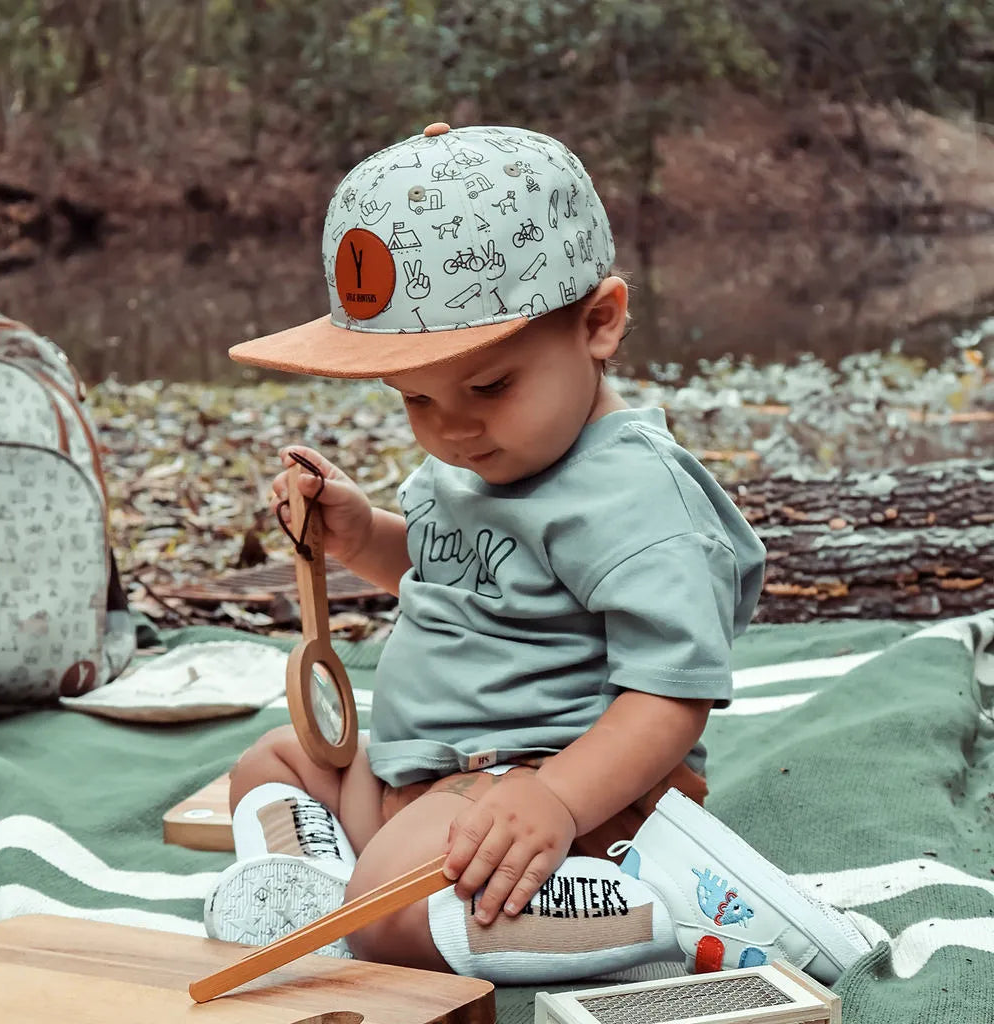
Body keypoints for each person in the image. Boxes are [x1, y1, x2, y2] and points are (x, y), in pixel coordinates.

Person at [203, 122, 871, 985]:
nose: (452, 429)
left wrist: (556, 797)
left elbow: (672, 694)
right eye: (415, 399)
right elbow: (458, 575)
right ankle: (318, 901)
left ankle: (675, 911)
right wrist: (361, 535)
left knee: (394, 915)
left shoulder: (634, 498)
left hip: (556, 794)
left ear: (598, 324)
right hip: (421, 772)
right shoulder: (482, 458)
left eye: (489, 385)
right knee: (273, 764)